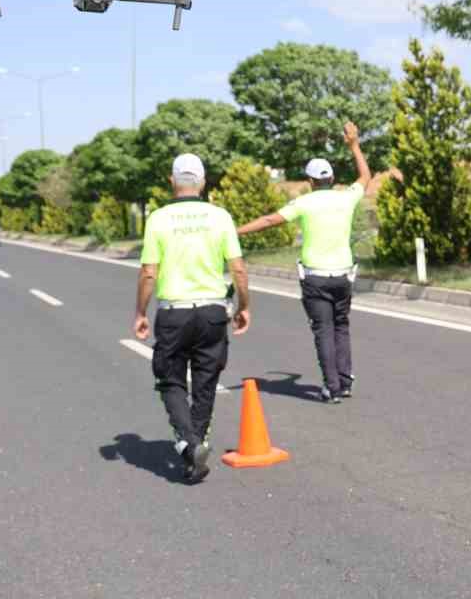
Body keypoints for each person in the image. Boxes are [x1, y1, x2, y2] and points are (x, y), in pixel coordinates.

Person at [134, 152, 251, 484]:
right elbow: (238, 269)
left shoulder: (158, 218)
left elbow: (148, 273)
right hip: (213, 312)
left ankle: (190, 442)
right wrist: (243, 306)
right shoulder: (221, 217)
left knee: (170, 380)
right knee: (205, 382)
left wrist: (140, 312)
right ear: (202, 182)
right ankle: (195, 449)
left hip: (174, 313)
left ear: (172, 182)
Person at [236, 121, 370, 404]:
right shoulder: (346, 198)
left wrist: (236, 231)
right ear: (332, 178)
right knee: (341, 327)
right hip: (343, 277)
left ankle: (331, 387)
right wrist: (354, 145)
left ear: (310, 182)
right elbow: (365, 176)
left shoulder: (304, 204)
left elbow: (270, 220)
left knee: (323, 330)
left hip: (315, 278)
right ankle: (344, 382)